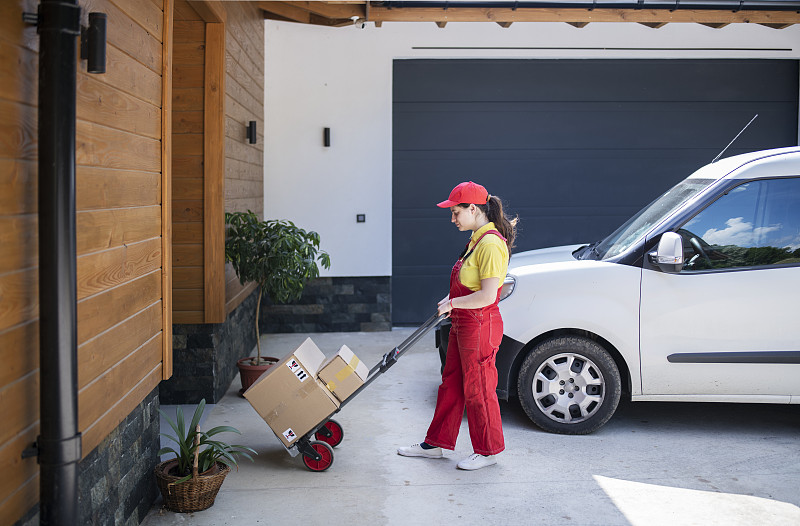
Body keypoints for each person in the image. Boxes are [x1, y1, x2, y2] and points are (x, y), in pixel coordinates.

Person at [398, 181, 518, 470]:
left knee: (479, 389)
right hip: (464, 324)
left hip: (479, 326)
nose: (452, 219)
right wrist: (451, 300)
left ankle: (488, 452)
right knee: (451, 382)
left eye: (455, 213)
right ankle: (435, 444)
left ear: (473, 209)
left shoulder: (490, 244)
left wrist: (454, 304)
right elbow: (470, 283)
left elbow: (490, 295)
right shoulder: (477, 239)